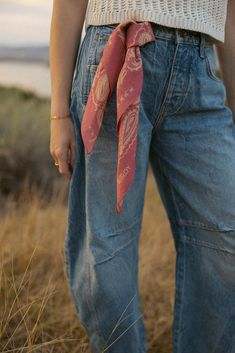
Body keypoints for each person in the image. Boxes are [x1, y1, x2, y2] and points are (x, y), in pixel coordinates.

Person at [49, 0, 235, 352]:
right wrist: (59, 113)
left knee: (226, 238)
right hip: (114, 56)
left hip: (200, 74)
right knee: (107, 247)